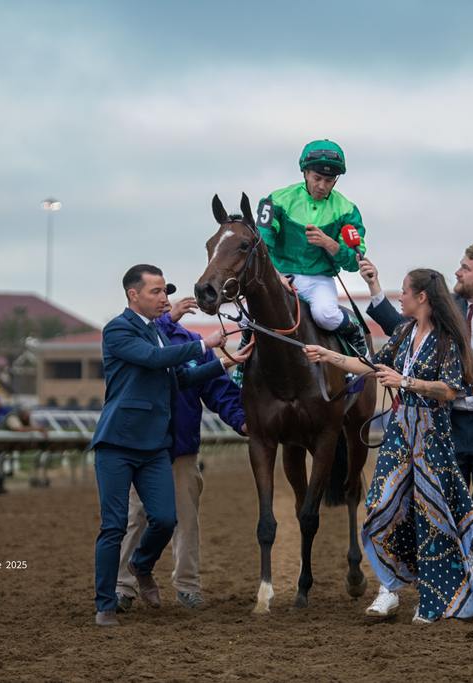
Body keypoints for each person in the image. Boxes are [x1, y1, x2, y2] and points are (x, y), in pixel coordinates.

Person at [304, 268, 473, 623]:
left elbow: (449, 390)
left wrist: (407, 382)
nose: (401, 297)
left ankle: (434, 597)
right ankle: (389, 588)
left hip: (431, 437)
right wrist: (328, 356)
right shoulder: (403, 331)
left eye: (406, 292)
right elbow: (371, 366)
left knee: (432, 515)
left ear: (422, 298)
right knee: (381, 504)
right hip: (399, 433)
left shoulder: (448, 340)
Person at [360, 245, 473, 564]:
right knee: (442, 502)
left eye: (466, 268)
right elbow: (401, 327)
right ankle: (454, 566)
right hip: (445, 425)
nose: (458, 272)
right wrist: (374, 286)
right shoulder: (446, 309)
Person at [91, 264, 251, 627]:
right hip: (121, 442)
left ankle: (149, 569)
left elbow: (179, 377)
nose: (164, 298)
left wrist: (224, 363)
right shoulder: (119, 330)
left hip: (161, 446)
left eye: (166, 292)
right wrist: (204, 344)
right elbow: (152, 360)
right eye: (157, 292)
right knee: (119, 523)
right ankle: (109, 599)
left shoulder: (164, 337)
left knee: (167, 519)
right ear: (134, 295)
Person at [254, 139, 368, 356]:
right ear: (305, 173)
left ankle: (355, 334)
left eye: (329, 180)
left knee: (325, 314)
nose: (322, 186)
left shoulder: (347, 210)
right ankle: (243, 364)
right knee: (248, 314)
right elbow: (261, 243)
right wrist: (274, 275)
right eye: (317, 178)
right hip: (280, 275)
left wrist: (330, 244)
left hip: (319, 280)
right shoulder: (276, 201)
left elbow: (355, 262)